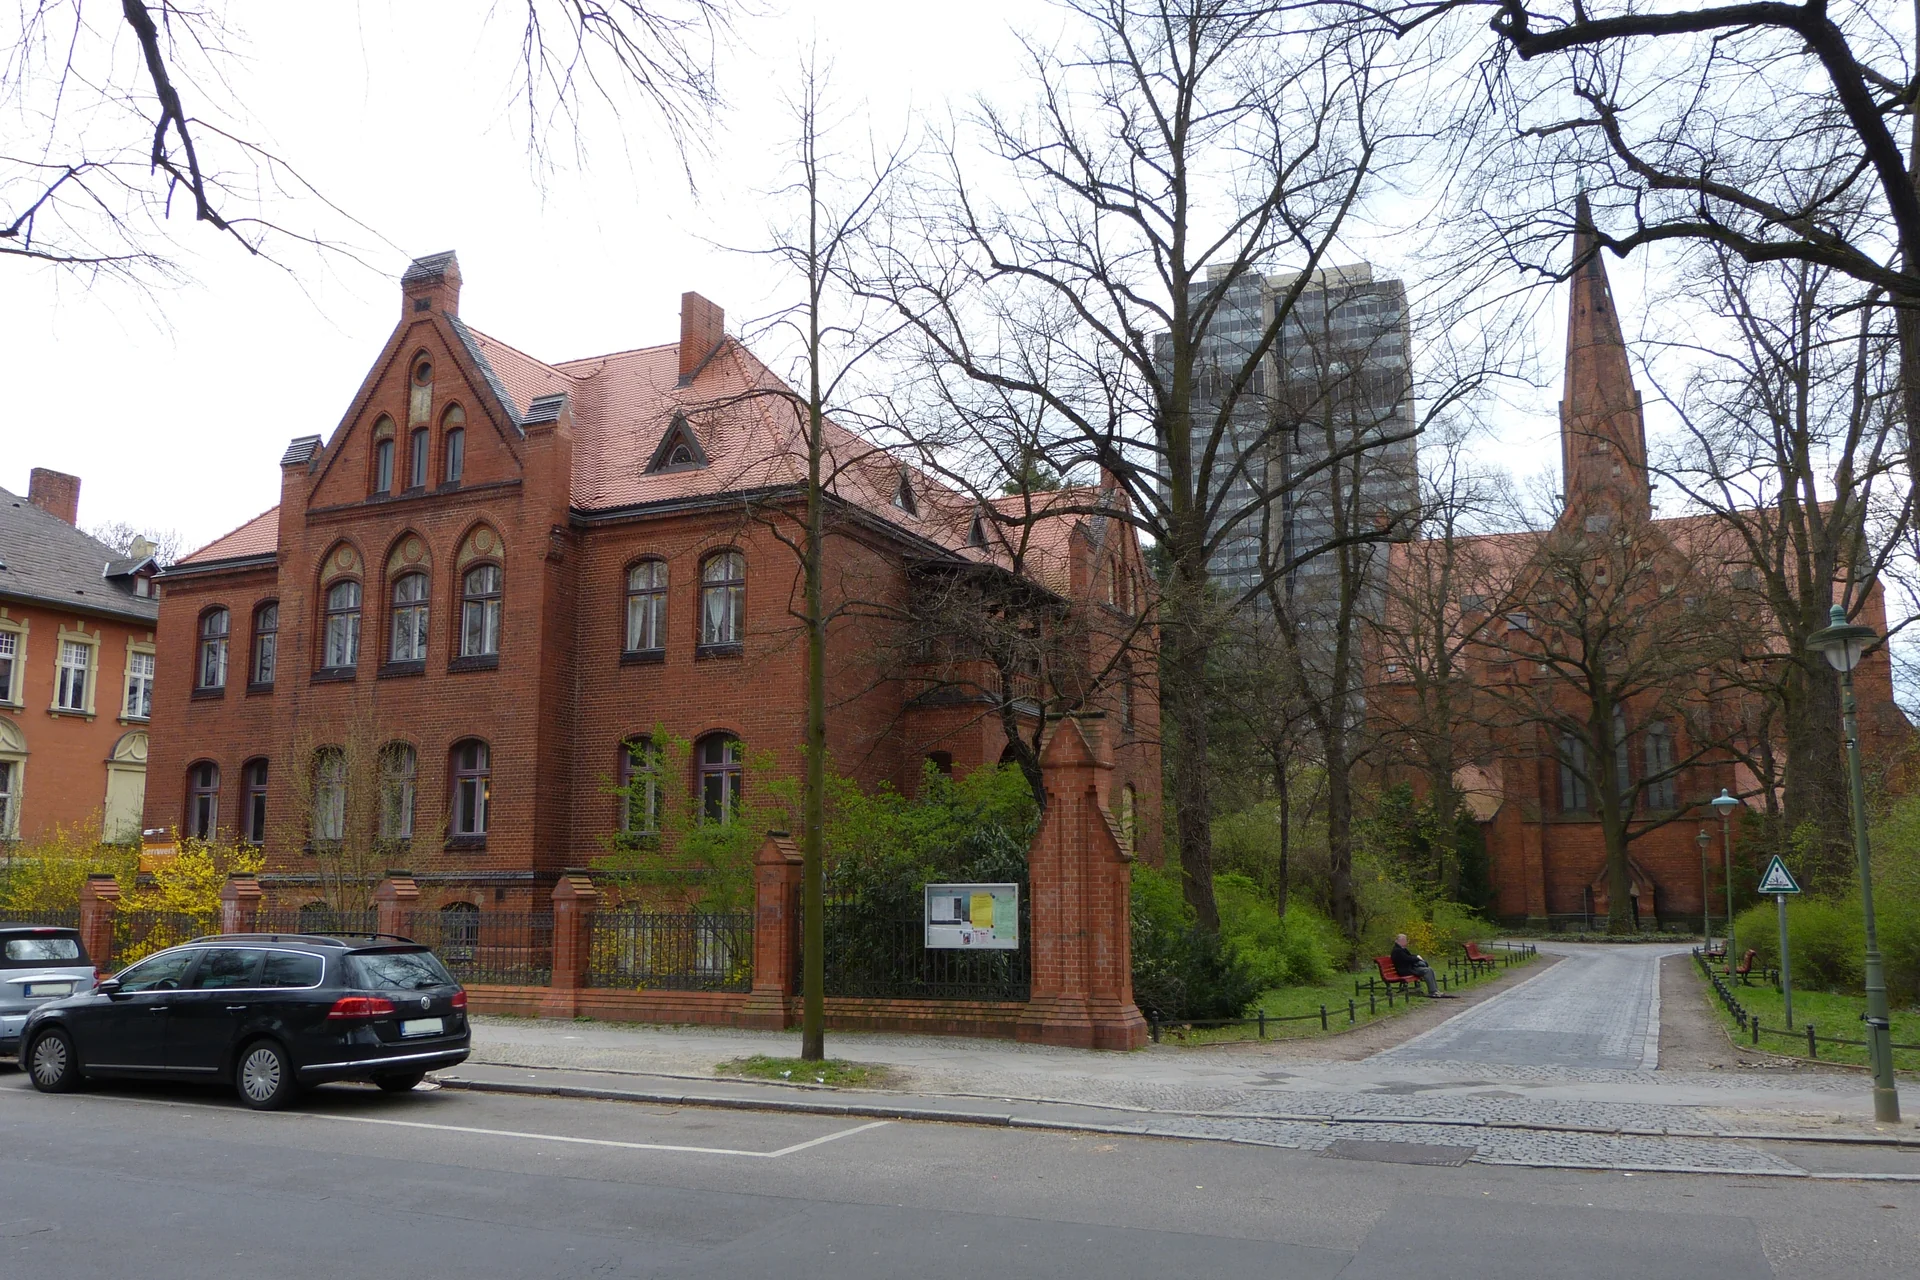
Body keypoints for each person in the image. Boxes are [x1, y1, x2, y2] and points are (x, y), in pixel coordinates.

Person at [1390, 933, 1446, 998]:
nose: (1406, 941)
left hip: (1410, 968)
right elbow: (1407, 959)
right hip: (1405, 970)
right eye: (1405, 940)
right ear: (1400, 941)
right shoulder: (1397, 950)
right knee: (1427, 971)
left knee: (1430, 969)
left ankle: (1435, 990)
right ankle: (1433, 991)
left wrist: (1416, 956)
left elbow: (1409, 956)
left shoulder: (1401, 949)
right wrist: (1417, 958)